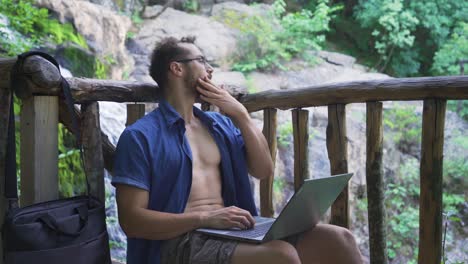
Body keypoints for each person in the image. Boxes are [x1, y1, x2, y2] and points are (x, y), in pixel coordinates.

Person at [112, 36, 363, 264]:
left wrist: (241, 115)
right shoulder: (140, 137)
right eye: (201, 61)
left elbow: (263, 169)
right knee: (281, 255)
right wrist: (205, 219)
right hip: (180, 241)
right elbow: (132, 221)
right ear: (177, 68)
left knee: (340, 239)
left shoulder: (219, 125)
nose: (210, 69)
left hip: (233, 231)